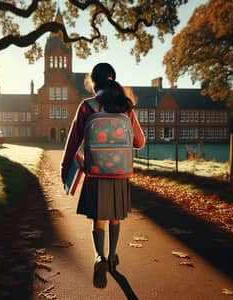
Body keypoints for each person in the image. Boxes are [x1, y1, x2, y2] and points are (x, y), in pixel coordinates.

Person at [60, 63, 145, 288]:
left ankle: (99, 257)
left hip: (95, 172)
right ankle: (114, 255)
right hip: (120, 173)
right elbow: (139, 142)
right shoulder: (125, 106)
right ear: (113, 79)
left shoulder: (87, 106)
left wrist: (65, 169)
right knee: (114, 215)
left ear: (95, 83)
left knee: (99, 217)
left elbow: (73, 142)